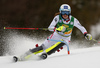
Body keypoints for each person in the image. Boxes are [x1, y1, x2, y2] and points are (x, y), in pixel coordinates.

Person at [13, 4, 92, 62]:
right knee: (42, 47)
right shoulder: (57, 18)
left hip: (66, 37)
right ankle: (22, 56)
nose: (65, 15)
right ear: (60, 12)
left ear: (69, 13)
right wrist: (57, 29)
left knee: (61, 43)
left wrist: (85, 34)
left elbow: (81, 27)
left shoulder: (73, 20)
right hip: (56, 35)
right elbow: (50, 28)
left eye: (67, 13)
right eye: (63, 12)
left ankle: (45, 54)